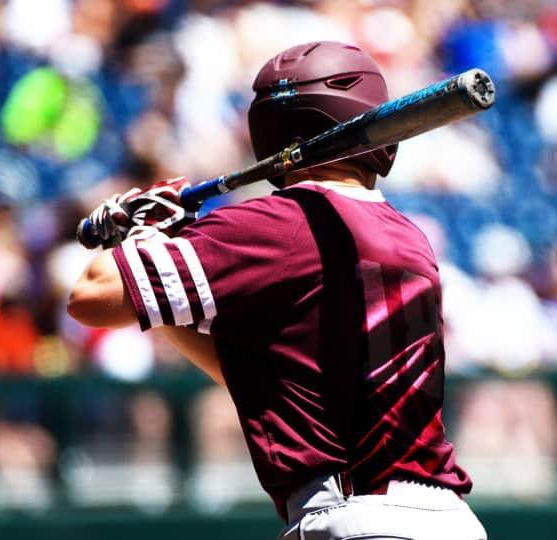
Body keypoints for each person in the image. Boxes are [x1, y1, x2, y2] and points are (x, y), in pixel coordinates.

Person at [67, 41, 487, 540]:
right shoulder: (407, 235)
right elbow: (262, 378)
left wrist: (137, 237)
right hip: (447, 522)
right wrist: (155, 248)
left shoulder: (275, 225)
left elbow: (91, 296)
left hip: (359, 518)